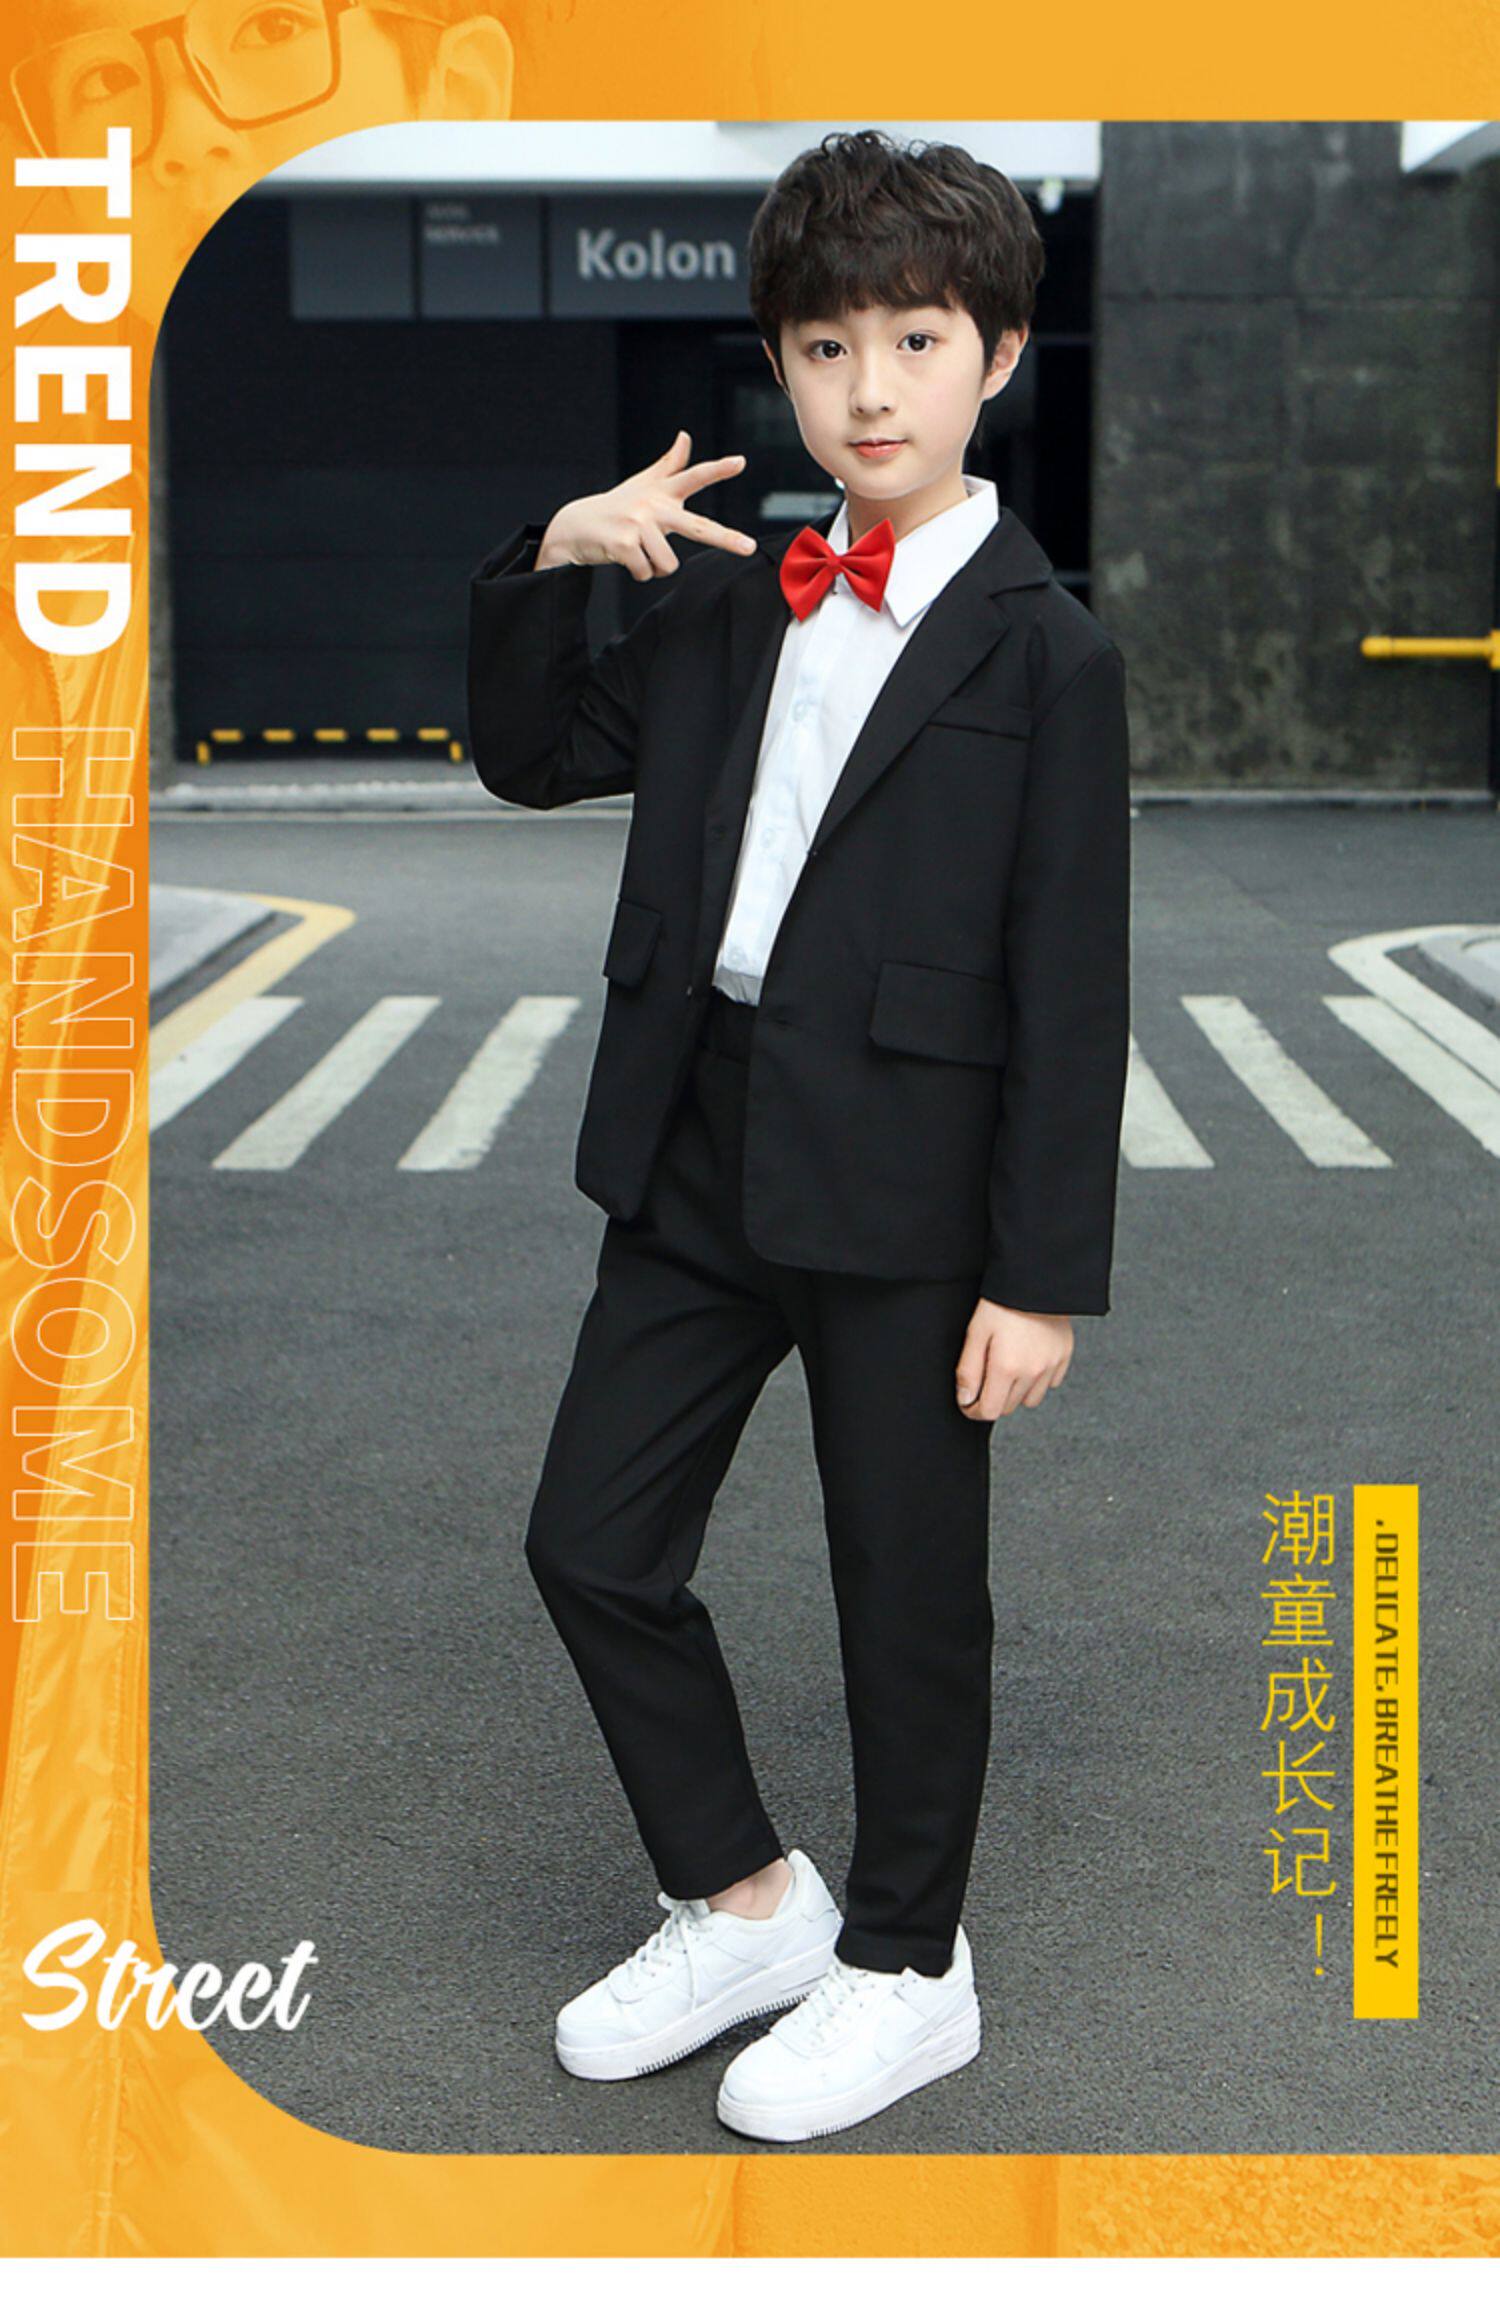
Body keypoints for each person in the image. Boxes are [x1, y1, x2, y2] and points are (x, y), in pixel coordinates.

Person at [466, 127, 1132, 2142]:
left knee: (900, 1592)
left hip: (912, 1179)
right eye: (826, 347)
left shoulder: (1049, 651)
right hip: (697, 1135)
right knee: (590, 1539)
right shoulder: (728, 597)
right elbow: (529, 757)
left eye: (916, 342)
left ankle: (910, 1965)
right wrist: (556, 557)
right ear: (779, 361)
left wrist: (1040, 1274)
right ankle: (750, 1899)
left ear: (995, 357)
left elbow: (1073, 983)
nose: (869, 391)